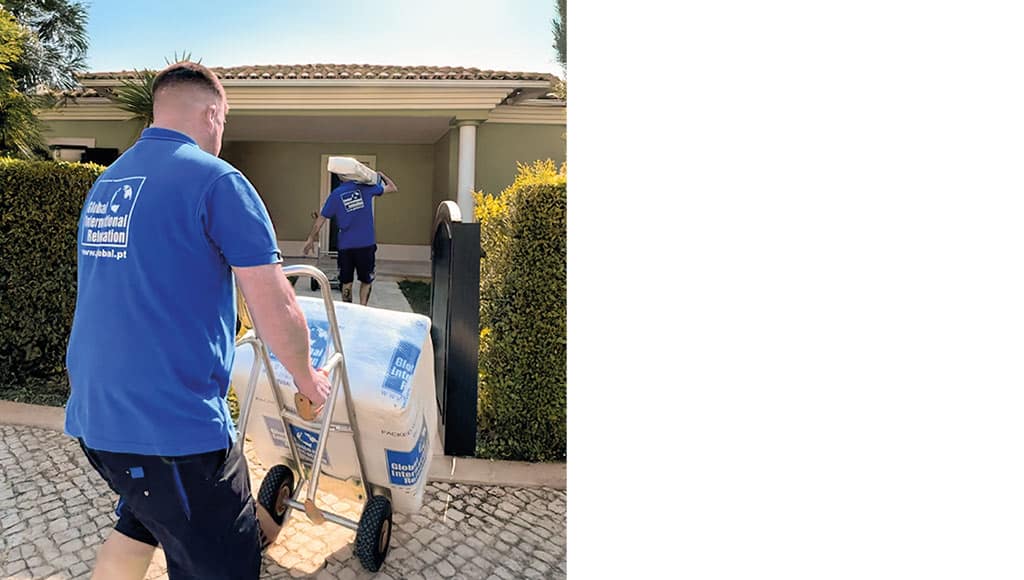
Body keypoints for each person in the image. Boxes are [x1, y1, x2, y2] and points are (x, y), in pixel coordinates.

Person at [64, 61, 331, 580]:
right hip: (174, 431)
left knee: (143, 520)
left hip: (97, 418)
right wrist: (307, 378)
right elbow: (274, 305)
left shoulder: (108, 184)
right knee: (224, 565)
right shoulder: (218, 182)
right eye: (223, 121)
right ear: (212, 112)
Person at [302, 169, 398, 305]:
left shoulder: (336, 195)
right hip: (366, 244)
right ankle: (363, 309)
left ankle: (348, 311)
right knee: (366, 280)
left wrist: (310, 238)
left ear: (340, 177)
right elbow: (393, 188)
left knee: (346, 282)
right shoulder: (366, 188)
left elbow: (320, 220)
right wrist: (380, 176)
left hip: (346, 246)